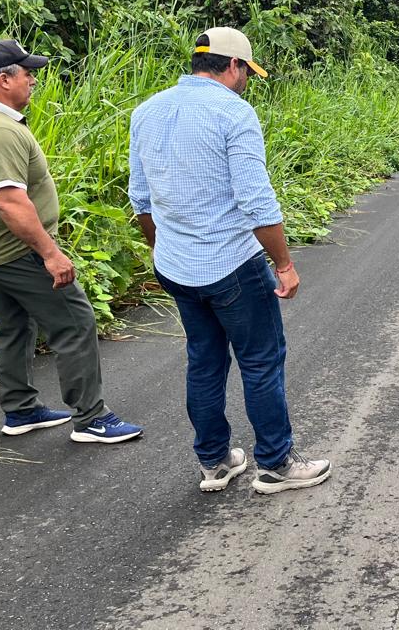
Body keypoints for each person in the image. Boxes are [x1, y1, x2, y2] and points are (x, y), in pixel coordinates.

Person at [128, 28, 330, 495]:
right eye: (247, 73)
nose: (246, 83)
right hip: (231, 265)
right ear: (234, 65)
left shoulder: (147, 111)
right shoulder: (233, 112)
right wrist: (284, 264)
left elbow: (141, 199)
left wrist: (162, 251)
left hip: (176, 265)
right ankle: (276, 465)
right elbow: (256, 201)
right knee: (260, 361)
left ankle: (214, 462)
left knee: (204, 361)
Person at [0, 40, 143, 443]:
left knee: (14, 326)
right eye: (27, 73)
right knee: (75, 322)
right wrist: (50, 254)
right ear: (4, 80)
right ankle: (91, 418)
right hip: (16, 252)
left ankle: (21, 409)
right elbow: (9, 202)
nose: (33, 79)